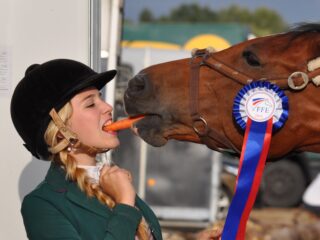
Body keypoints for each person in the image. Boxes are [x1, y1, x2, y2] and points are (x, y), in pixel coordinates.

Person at [11, 59, 221, 240]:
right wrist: (125, 205)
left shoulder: (111, 180)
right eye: (90, 104)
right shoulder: (42, 204)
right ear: (60, 132)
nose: (108, 107)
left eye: (100, 97)